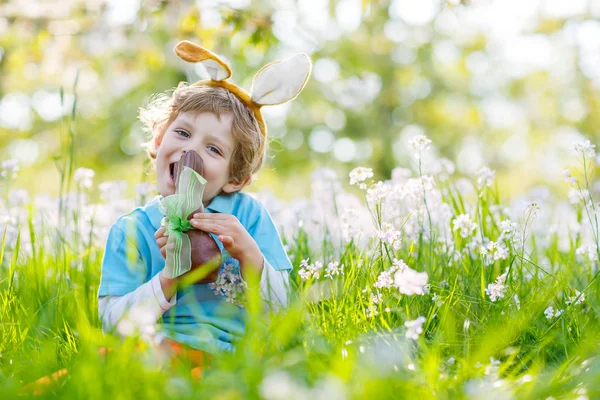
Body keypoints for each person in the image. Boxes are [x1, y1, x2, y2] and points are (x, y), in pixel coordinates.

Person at [97, 40, 312, 356]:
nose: (191, 150)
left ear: (236, 178)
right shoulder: (132, 230)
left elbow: (284, 315)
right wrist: (171, 276)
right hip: (157, 350)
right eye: (182, 133)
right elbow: (111, 324)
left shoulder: (248, 218)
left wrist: (250, 256)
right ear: (159, 140)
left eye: (214, 149)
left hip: (237, 357)